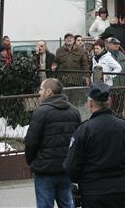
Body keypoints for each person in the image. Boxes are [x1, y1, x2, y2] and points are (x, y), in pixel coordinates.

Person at [64, 83, 125, 208]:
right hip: (119, 193)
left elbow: (71, 167)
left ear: (90, 104)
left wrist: (84, 181)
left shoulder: (84, 130)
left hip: (92, 193)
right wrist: (123, 177)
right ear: (110, 101)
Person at [24, 78, 81, 208]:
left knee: (44, 204)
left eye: (41, 89)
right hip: (65, 168)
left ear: (49, 92)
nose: (39, 92)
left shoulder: (41, 112)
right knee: (67, 203)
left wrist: (32, 161)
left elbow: (31, 142)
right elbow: (78, 141)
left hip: (45, 170)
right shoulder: (74, 111)